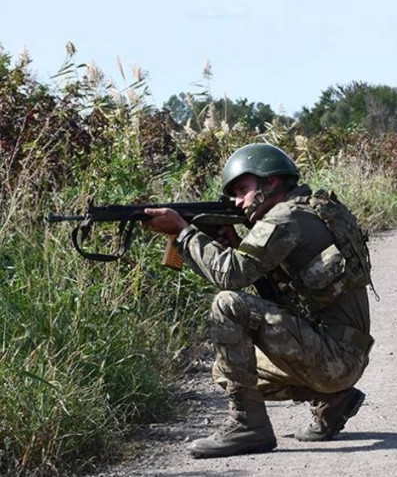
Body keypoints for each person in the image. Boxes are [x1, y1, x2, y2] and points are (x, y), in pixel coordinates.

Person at [142, 142, 374, 458]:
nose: (237, 202)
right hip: (343, 356)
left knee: (227, 304)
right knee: (225, 369)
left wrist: (183, 233)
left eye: (242, 190)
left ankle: (247, 427)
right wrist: (235, 243)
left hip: (334, 359)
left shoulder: (284, 217)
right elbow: (284, 294)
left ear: (271, 182)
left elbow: (231, 276)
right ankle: (335, 399)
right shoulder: (310, 210)